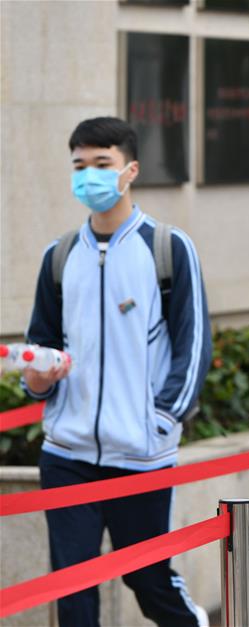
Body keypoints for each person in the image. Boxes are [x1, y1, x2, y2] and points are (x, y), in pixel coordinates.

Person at [22, 117, 212, 626]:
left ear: (129, 170)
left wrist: (160, 421)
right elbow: (40, 341)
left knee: (149, 581)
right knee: (73, 588)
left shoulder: (167, 249)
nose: (88, 177)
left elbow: (193, 347)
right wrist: (38, 378)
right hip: (67, 453)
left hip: (141, 454)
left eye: (100, 164)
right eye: (79, 166)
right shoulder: (59, 257)